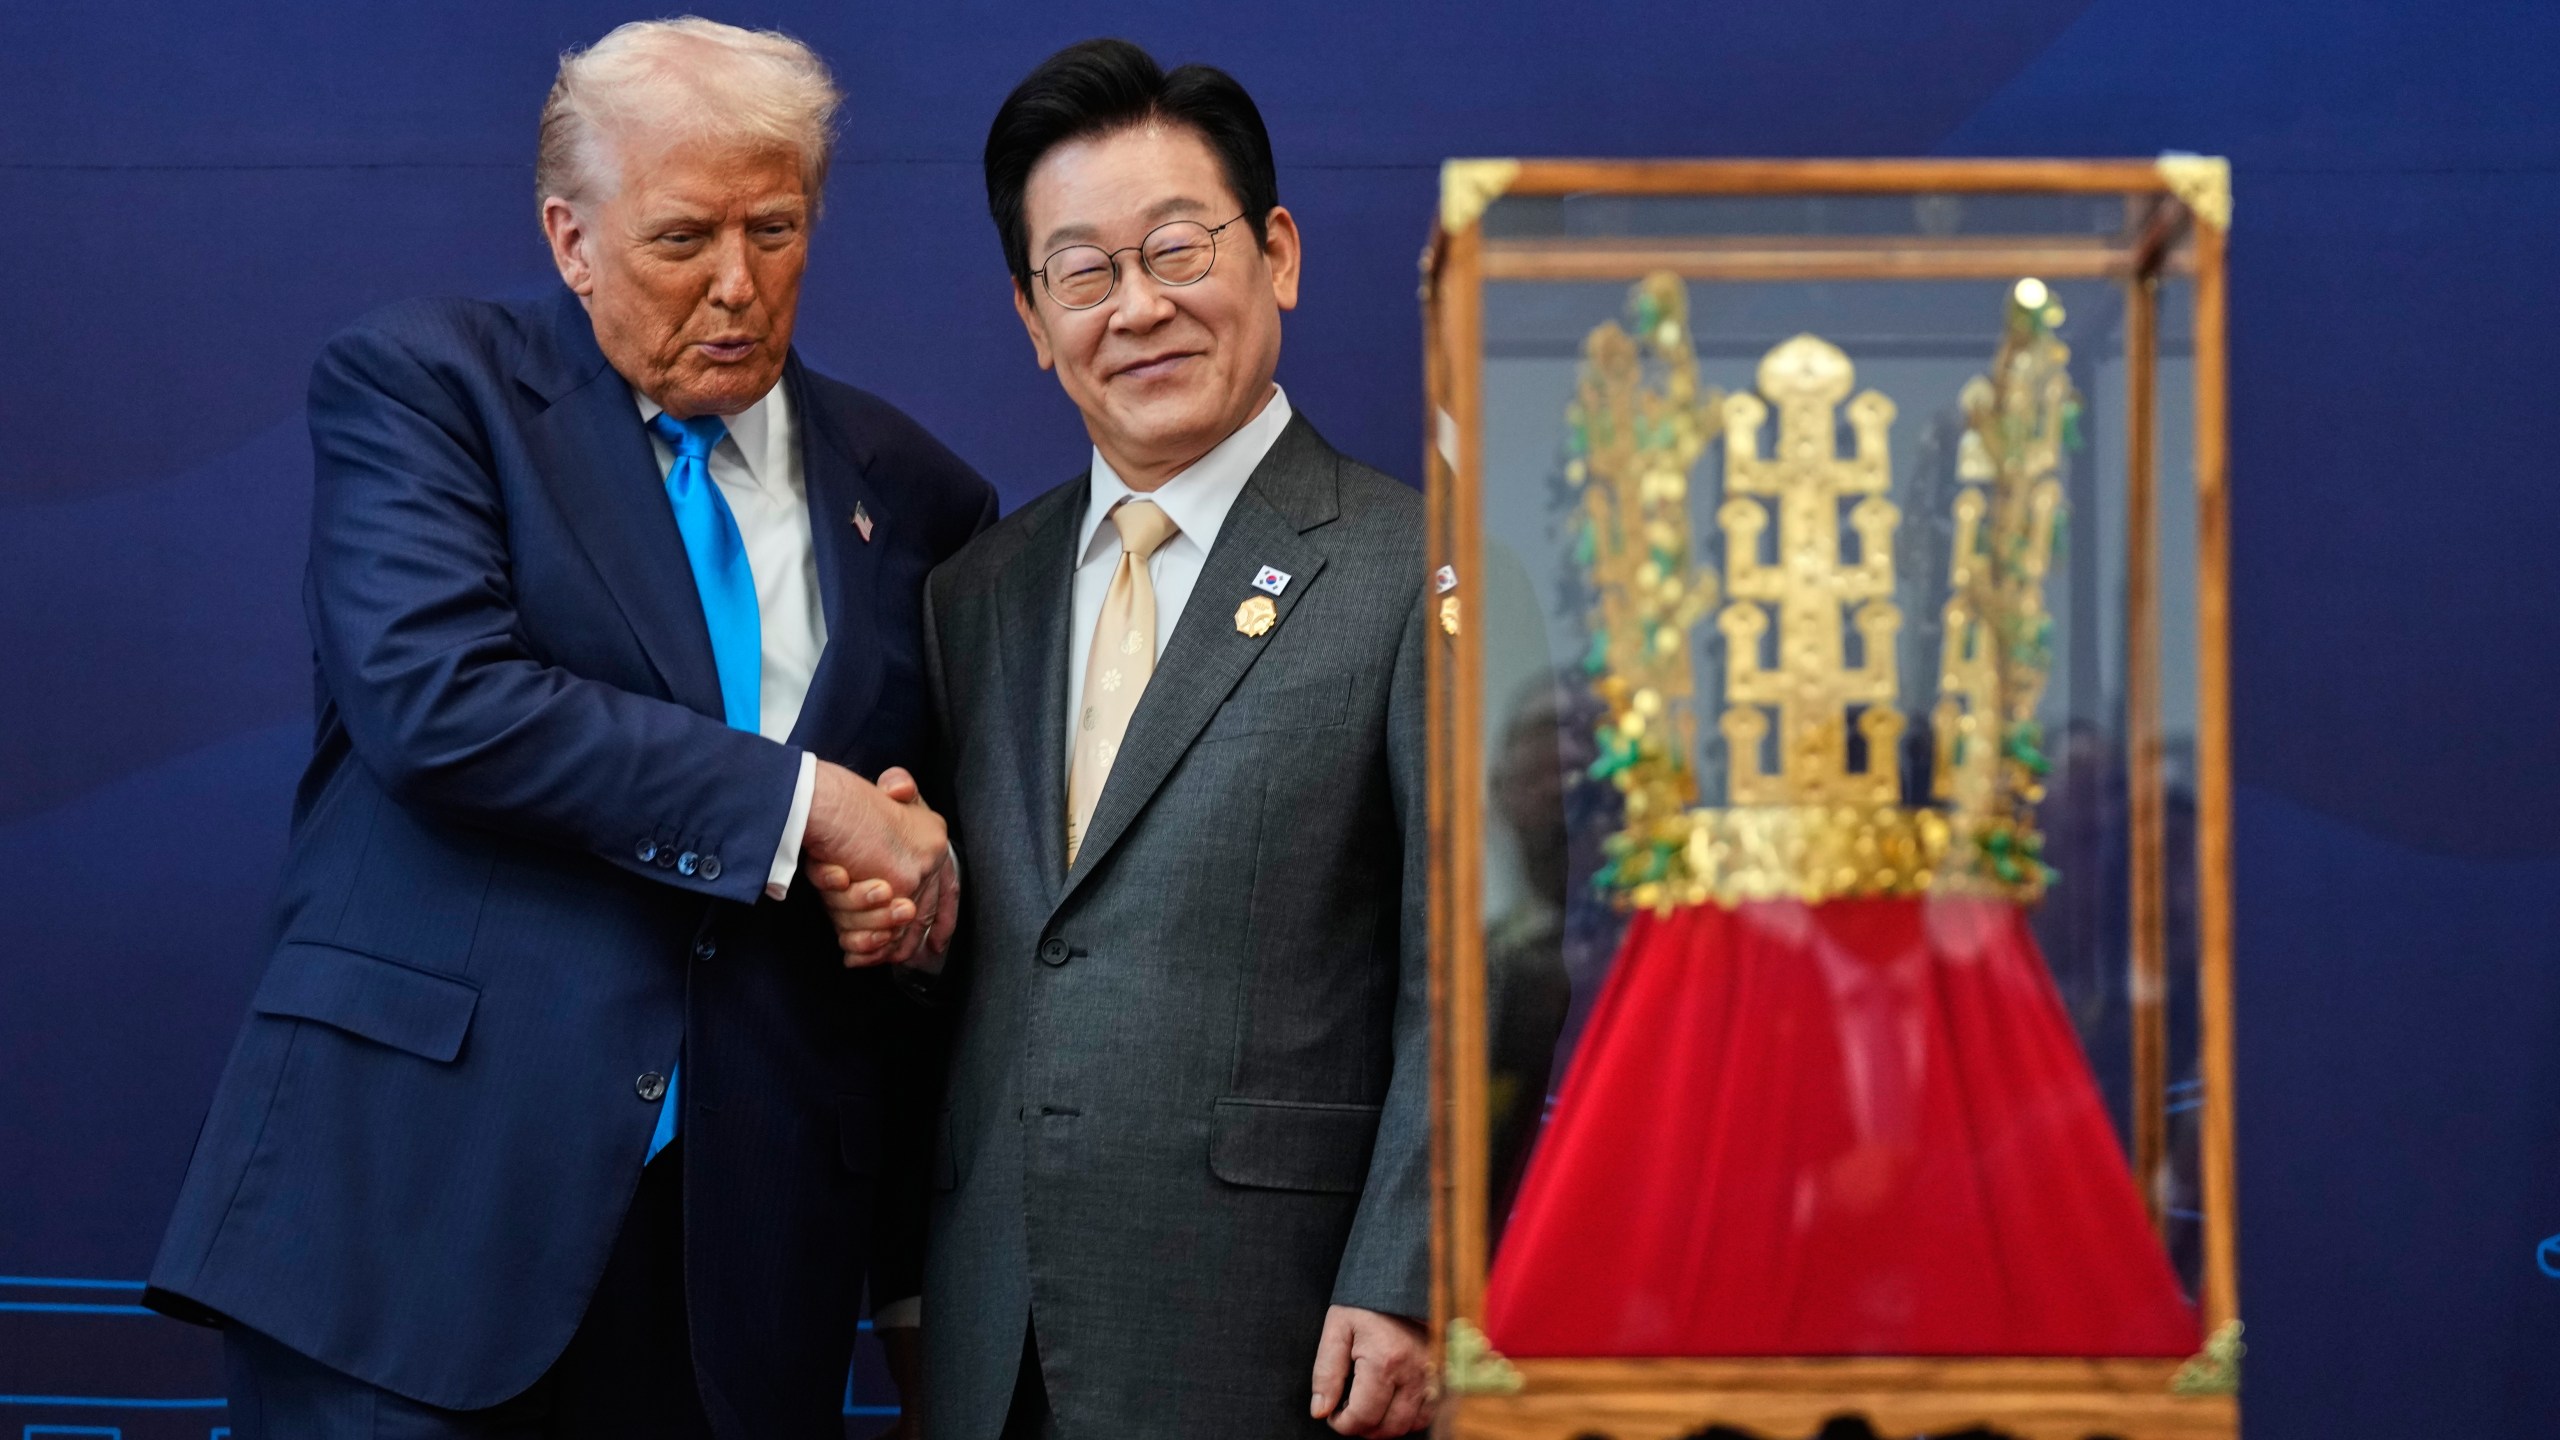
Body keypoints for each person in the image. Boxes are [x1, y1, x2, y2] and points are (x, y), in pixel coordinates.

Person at [143, 19, 986, 1439]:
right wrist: (813, 811)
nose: (737, 284)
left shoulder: (921, 495)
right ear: (570, 236)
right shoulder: (428, 387)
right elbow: (440, 705)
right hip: (414, 1230)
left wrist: (918, 894)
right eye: (682, 238)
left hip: (741, 1272)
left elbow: (919, 856)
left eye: (775, 229)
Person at [828, 37, 1434, 1440]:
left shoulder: (1424, 569)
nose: (1140, 307)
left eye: (1177, 248)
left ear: (1275, 252)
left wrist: (1409, 1279)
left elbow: (1474, 973)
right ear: (1036, 320)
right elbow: (975, 975)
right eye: (1085, 274)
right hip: (993, 1343)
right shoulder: (976, 593)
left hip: (1287, 1338)